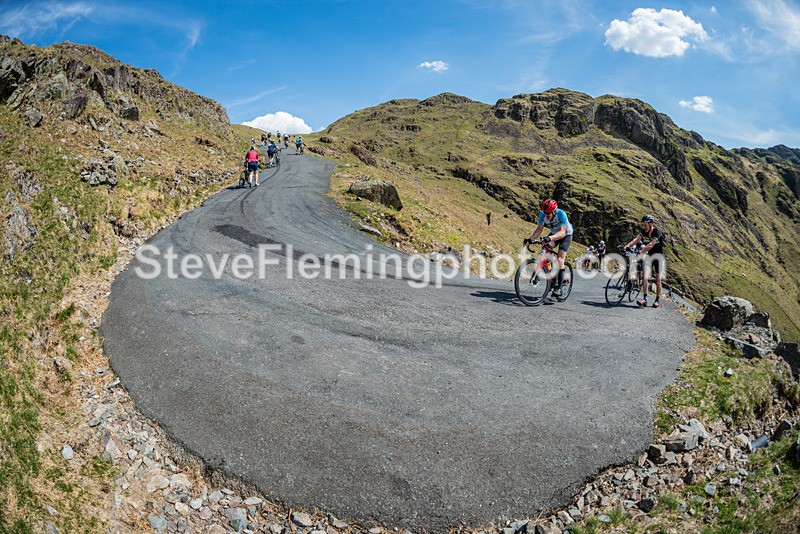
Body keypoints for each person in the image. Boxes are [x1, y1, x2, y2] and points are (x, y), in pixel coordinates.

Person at [524, 198, 574, 295]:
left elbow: (562, 232)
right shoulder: (542, 214)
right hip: (554, 234)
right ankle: (550, 271)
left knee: (560, 259)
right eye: (545, 212)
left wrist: (550, 237)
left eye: (548, 213)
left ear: (554, 211)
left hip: (566, 235)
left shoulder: (561, 214)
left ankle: (559, 288)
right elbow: (539, 229)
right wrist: (530, 239)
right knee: (545, 248)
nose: (546, 215)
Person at [626, 214, 665, 308]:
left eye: (645, 225)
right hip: (650, 256)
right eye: (643, 225)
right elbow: (635, 240)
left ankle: (657, 300)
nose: (644, 227)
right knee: (645, 277)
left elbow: (651, 244)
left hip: (658, 257)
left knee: (658, 280)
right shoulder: (644, 231)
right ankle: (645, 299)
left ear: (651, 224)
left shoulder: (657, 232)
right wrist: (626, 246)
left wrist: (642, 251)